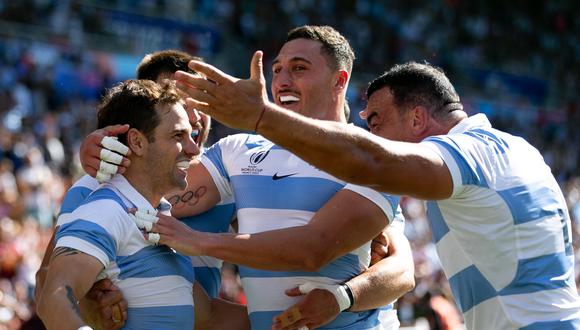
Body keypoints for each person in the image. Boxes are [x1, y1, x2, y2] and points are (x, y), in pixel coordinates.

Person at [175, 52, 580, 329]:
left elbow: (375, 164)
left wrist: (261, 117)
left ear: (418, 118)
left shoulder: (469, 152)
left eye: (377, 122)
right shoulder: (517, 149)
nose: (373, 134)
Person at [89, 26, 414, 329]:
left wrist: (343, 297)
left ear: (339, 81)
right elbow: (145, 192)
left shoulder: (370, 157)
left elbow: (386, 266)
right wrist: (108, 148)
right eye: (277, 70)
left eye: (299, 68)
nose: (283, 81)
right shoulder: (237, 151)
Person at [35, 50, 243, 329]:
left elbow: (208, 315)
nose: (193, 115)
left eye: (201, 100)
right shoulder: (100, 194)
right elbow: (52, 290)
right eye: (179, 100)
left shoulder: (226, 178)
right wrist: (88, 309)